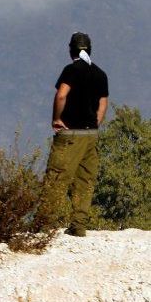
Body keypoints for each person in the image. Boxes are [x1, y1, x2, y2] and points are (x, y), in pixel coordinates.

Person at [40, 32, 109, 237]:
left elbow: (61, 95)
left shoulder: (71, 70)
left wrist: (56, 118)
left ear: (71, 49)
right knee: (85, 180)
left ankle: (43, 225)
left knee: (57, 177)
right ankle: (79, 225)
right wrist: (95, 123)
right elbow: (103, 103)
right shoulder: (99, 73)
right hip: (90, 135)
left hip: (70, 134)